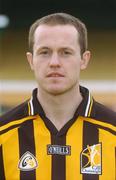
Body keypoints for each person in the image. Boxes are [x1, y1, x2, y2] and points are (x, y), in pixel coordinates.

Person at [0, 12, 116, 180]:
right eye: (44, 52)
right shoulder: (4, 134)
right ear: (31, 60)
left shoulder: (112, 132)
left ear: (84, 59)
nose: (54, 62)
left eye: (66, 52)